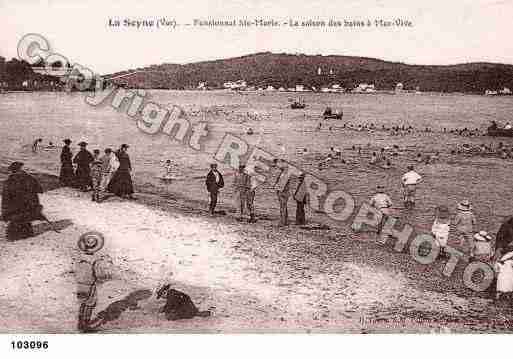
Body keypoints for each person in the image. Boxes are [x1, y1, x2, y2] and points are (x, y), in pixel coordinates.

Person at [75, 231, 112, 332]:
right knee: (90, 304)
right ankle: (85, 325)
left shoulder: (79, 257)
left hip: (80, 284)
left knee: (82, 303)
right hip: (90, 284)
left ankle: (79, 323)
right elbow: (99, 274)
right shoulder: (95, 260)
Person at [1, 162, 44, 240]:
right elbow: (40, 189)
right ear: (20, 169)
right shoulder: (30, 178)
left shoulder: (8, 182)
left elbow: (6, 199)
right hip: (28, 208)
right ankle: (25, 234)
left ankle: (15, 236)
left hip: (15, 210)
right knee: (25, 222)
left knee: (15, 224)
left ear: (12, 171)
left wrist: (5, 212)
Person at [273, 159, 291, 226]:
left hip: (283, 192)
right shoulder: (283, 173)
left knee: (282, 207)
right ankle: (286, 221)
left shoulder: (285, 175)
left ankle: (282, 222)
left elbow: (282, 184)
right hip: (283, 192)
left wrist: (278, 189)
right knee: (284, 207)